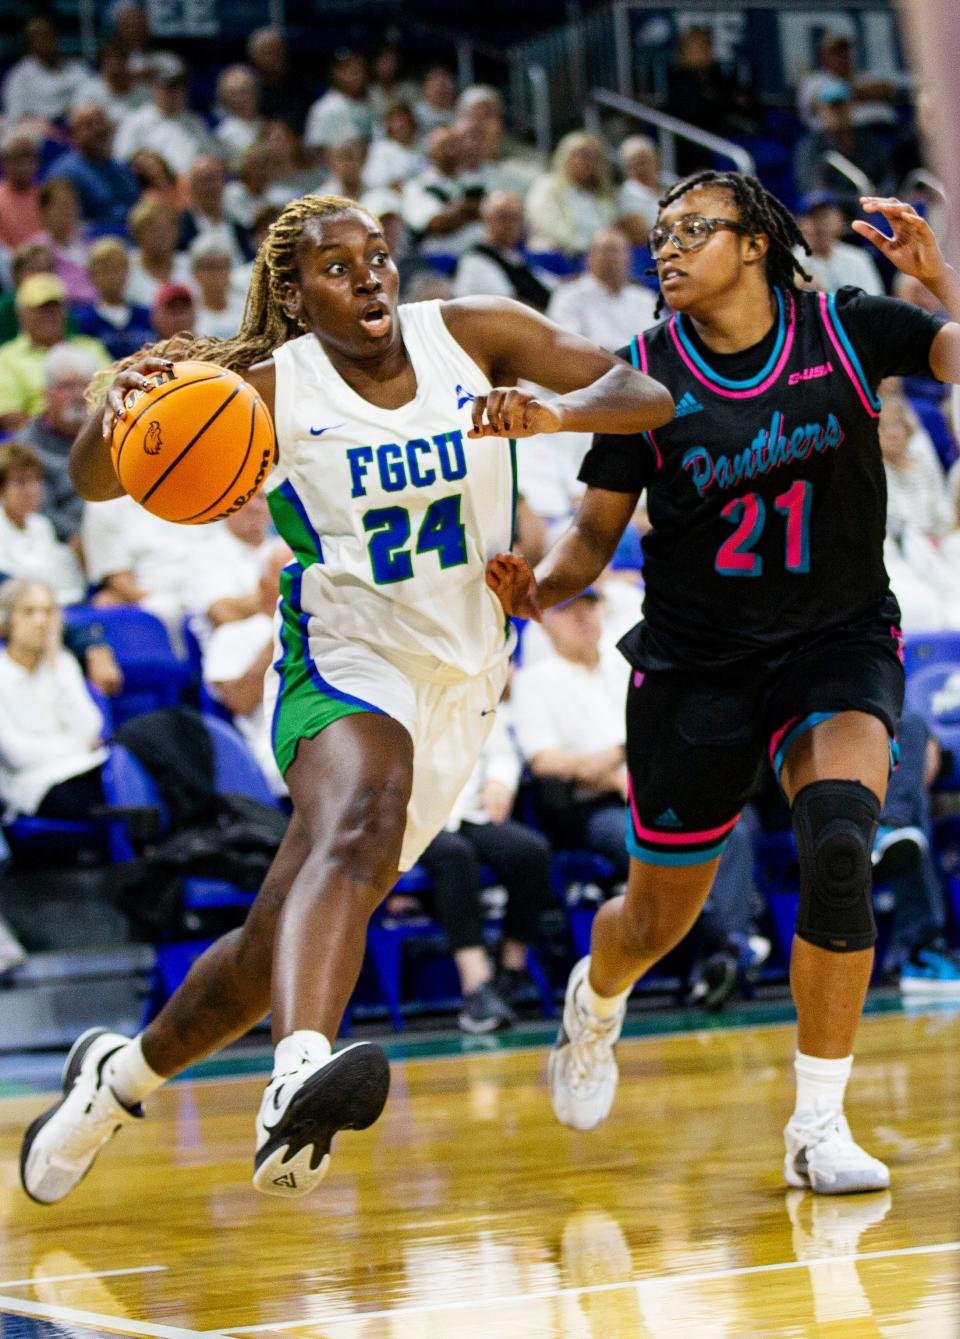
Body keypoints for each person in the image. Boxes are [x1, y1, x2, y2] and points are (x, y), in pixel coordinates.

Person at [20, 191, 672, 1206]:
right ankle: (296, 1079)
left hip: (464, 675)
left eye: (378, 257)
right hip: (341, 658)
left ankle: (116, 1080)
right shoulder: (265, 387)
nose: (368, 276)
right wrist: (124, 410)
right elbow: (95, 476)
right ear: (292, 290)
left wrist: (556, 412)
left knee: (271, 945)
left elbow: (645, 392)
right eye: (337, 266)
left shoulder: (477, 332)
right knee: (363, 813)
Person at [488, 171, 960, 1195]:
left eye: (694, 228)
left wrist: (943, 283)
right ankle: (597, 997)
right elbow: (591, 537)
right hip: (698, 664)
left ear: (754, 242)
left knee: (840, 841)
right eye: (659, 233)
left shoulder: (847, 325)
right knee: (654, 920)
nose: (668, 247)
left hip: (835, 642)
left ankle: (817, 1123)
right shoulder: (643, 374)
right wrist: (538, 588)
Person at [416, 703, 554, 1033]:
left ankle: (511, 969)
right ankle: (476, 985)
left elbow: (500, 751)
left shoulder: (472, 679)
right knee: (455, 856)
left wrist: (499, 784)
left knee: (530, 852)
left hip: (468, 808)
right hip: (411, 814)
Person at [512, 588, 630, 879]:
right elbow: (543, 760)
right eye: (567, 610)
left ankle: (723, 924)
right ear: (545, 623)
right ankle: (689, 920)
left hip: (651, 788)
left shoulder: (627, 664)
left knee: (729, 826)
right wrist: (616, 766)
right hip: (592, 803)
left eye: (589, 607)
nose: (582, 618)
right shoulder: (534, 681)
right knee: (640, 837)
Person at [0, 579, 108, 823]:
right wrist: (78, 746)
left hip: (86, 769)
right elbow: (15, 754)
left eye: (48, 611)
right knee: (119, 792)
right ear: (7, 619)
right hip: (32, 785)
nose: (40, 621)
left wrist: (55, 666)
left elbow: (91, 725)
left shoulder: (63, 664)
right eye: (28, 612)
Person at [0, 275, 108, 433]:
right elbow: (10, 417)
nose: (49, 314)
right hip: (39, 443)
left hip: (101, 436)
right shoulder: (6, 358)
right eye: (41, 308)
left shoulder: (92, 347)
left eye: (55, 307)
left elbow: (116, 395)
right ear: (22, 314)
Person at [22, 343, 104, 545]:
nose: (77, 395)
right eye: (67, 386)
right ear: (46, 394)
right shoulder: (27, 447)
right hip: (62, 546)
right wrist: (82, 537)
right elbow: (38, 513)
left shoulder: (110, 436)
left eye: (85, 385)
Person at [546, 228, 657, 351]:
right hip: (594, 366)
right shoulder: (568, 295)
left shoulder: (645, 298)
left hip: (641, 367)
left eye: (617, 252)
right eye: (605, 251)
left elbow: (658, 345)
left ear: (629, 259)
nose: (612, 258)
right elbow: (567, 345)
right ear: (589, 257)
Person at [0, 443, 84, 604]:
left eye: (36, 480)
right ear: (1, 490)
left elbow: (67, 583)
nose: (33, 490)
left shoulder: (41, 525)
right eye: (21, 482)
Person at [45, 103, 140, 231]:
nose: (99, 129)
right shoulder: (65, 173)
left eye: (101, 122)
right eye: (89, 125)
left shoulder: (121, 168)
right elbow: (64, 224)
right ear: (74, 136)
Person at [113, 59, 215, 177]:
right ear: (155, 89)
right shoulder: (136, 121)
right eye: (169, 88)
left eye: (179, 88)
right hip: (152, 188)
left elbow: (210, 156)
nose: (175, 94)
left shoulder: (193, 122)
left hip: (190, 186)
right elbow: (122, 160)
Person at [453, 190, 552, 310]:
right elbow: (509, 307)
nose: (510, 225)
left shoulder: (514, 257)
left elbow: (551, 285)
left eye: (516, 218)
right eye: (503, 217)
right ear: (486, 220)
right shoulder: (475, 261)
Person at [525, 132, 617, 257]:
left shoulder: (604, 198)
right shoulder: (547, 186)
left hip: (594, 260)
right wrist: (587, 249)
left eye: (594, 158)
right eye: (583, 156)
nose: (588, 162)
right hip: (554, 255)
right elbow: (549, 225)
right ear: (566, 156)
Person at [401, 126, 483, 259]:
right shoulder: (419, 186)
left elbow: (489, 215)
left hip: (477, 254)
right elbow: (437, 225)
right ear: (430, 152)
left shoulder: (473, 181)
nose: (451, 151)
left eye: (454, 145)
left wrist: (455, 211)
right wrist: (469, 209)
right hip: (439, 258)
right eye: (444, 146)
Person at [72, 238, 154, 361]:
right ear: (92, 276)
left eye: (117, 268)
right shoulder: (82, 320)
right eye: (105, 270)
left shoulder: (146, 315)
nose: (112, 277)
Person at [1, 16, 89, 129]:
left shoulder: (76, 69)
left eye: (48, 35)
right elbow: (15, 115)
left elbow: (91, 95)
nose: (44, 41)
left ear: (56, 37)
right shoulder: (18, 76)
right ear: (29, 43)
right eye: (38, 37)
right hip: (37, 131)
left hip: (73, 127)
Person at [796, 194, 884, 297]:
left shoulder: (858, 258)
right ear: (801, 224)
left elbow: (876, 300)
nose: (821, 225)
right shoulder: (793, 261)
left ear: (840, 220)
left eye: (825, 217)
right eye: (814, 218)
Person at [31, 178, 95, 306]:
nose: (68, 211)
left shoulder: (90, 246)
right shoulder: (37, 251)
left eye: (72, 205)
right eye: (61, 205)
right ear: (44, 211)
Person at [304, 50, 373, 157]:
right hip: (334, 169)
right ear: (338, 74)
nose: (357, 77)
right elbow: (315, 148)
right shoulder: (323, 107)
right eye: (352, 72)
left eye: (360, 72)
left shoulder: (371, 103)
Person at [125, 199, 192, 310]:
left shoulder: (190, 264)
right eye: (153, 230)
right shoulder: (127, 269)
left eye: (166, 229)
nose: (161, 235)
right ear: (137, 234)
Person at [189, 237, 244, 340]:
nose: (217, 274)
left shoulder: (246, 306)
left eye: (222, 267)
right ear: (195, 273)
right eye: (210, 267)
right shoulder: (189, 311)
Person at [0, 128, 44, 252]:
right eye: (17, 156)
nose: (24, 163)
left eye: (29, 156)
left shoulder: (47, 197)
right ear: (5, 161)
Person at [615, 136, 663, 245]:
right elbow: (641, 234)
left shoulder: (669, 189)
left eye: (644, 161)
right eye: (634, 164)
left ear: (656, 160)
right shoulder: (625, 195)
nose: (641, 168)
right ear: (626, 169)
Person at [213, 65, 263, 166]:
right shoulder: (223, 134)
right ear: (224, 99)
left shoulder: (268, 126)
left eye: (245, 91)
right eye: (233, 94)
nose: (241, 99)